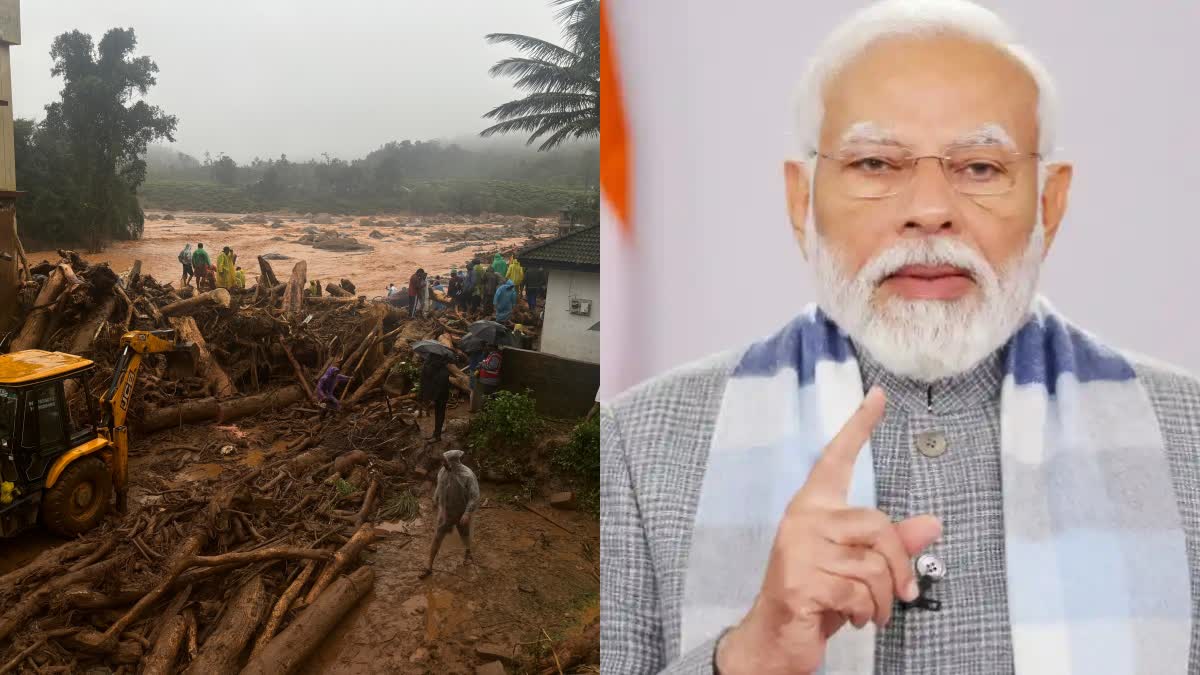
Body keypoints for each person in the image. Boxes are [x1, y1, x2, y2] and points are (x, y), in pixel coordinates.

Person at [601, 2, 1200, 674]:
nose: (928, 210)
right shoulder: (635, 443)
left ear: (1048, 204)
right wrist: (751, 654)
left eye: (979, 167)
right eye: (876, 164)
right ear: (802, 202)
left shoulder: (1190, 437)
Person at [419, 449, 479, 579]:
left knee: (465, 534)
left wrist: (467, 514)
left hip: (461, 512)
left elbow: (474, 497)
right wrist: (435, 500)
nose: (442, 463)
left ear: (453, 462)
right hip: (446, 512)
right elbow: (440, 486)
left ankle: (468, 553)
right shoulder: (443, 471)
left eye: (445, 461)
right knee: (437, 536)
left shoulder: (467, 475)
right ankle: (429, 567)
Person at [419, 352, 451, 441]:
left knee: (439, 414)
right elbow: (441, 386)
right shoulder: (442, 369)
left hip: (433, 394)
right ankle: (437, 435)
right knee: (439, 414)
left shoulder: (428, 365)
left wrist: (423, 396)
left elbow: (423, 381)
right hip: (439, 396)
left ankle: (436, 435)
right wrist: (433, 399)